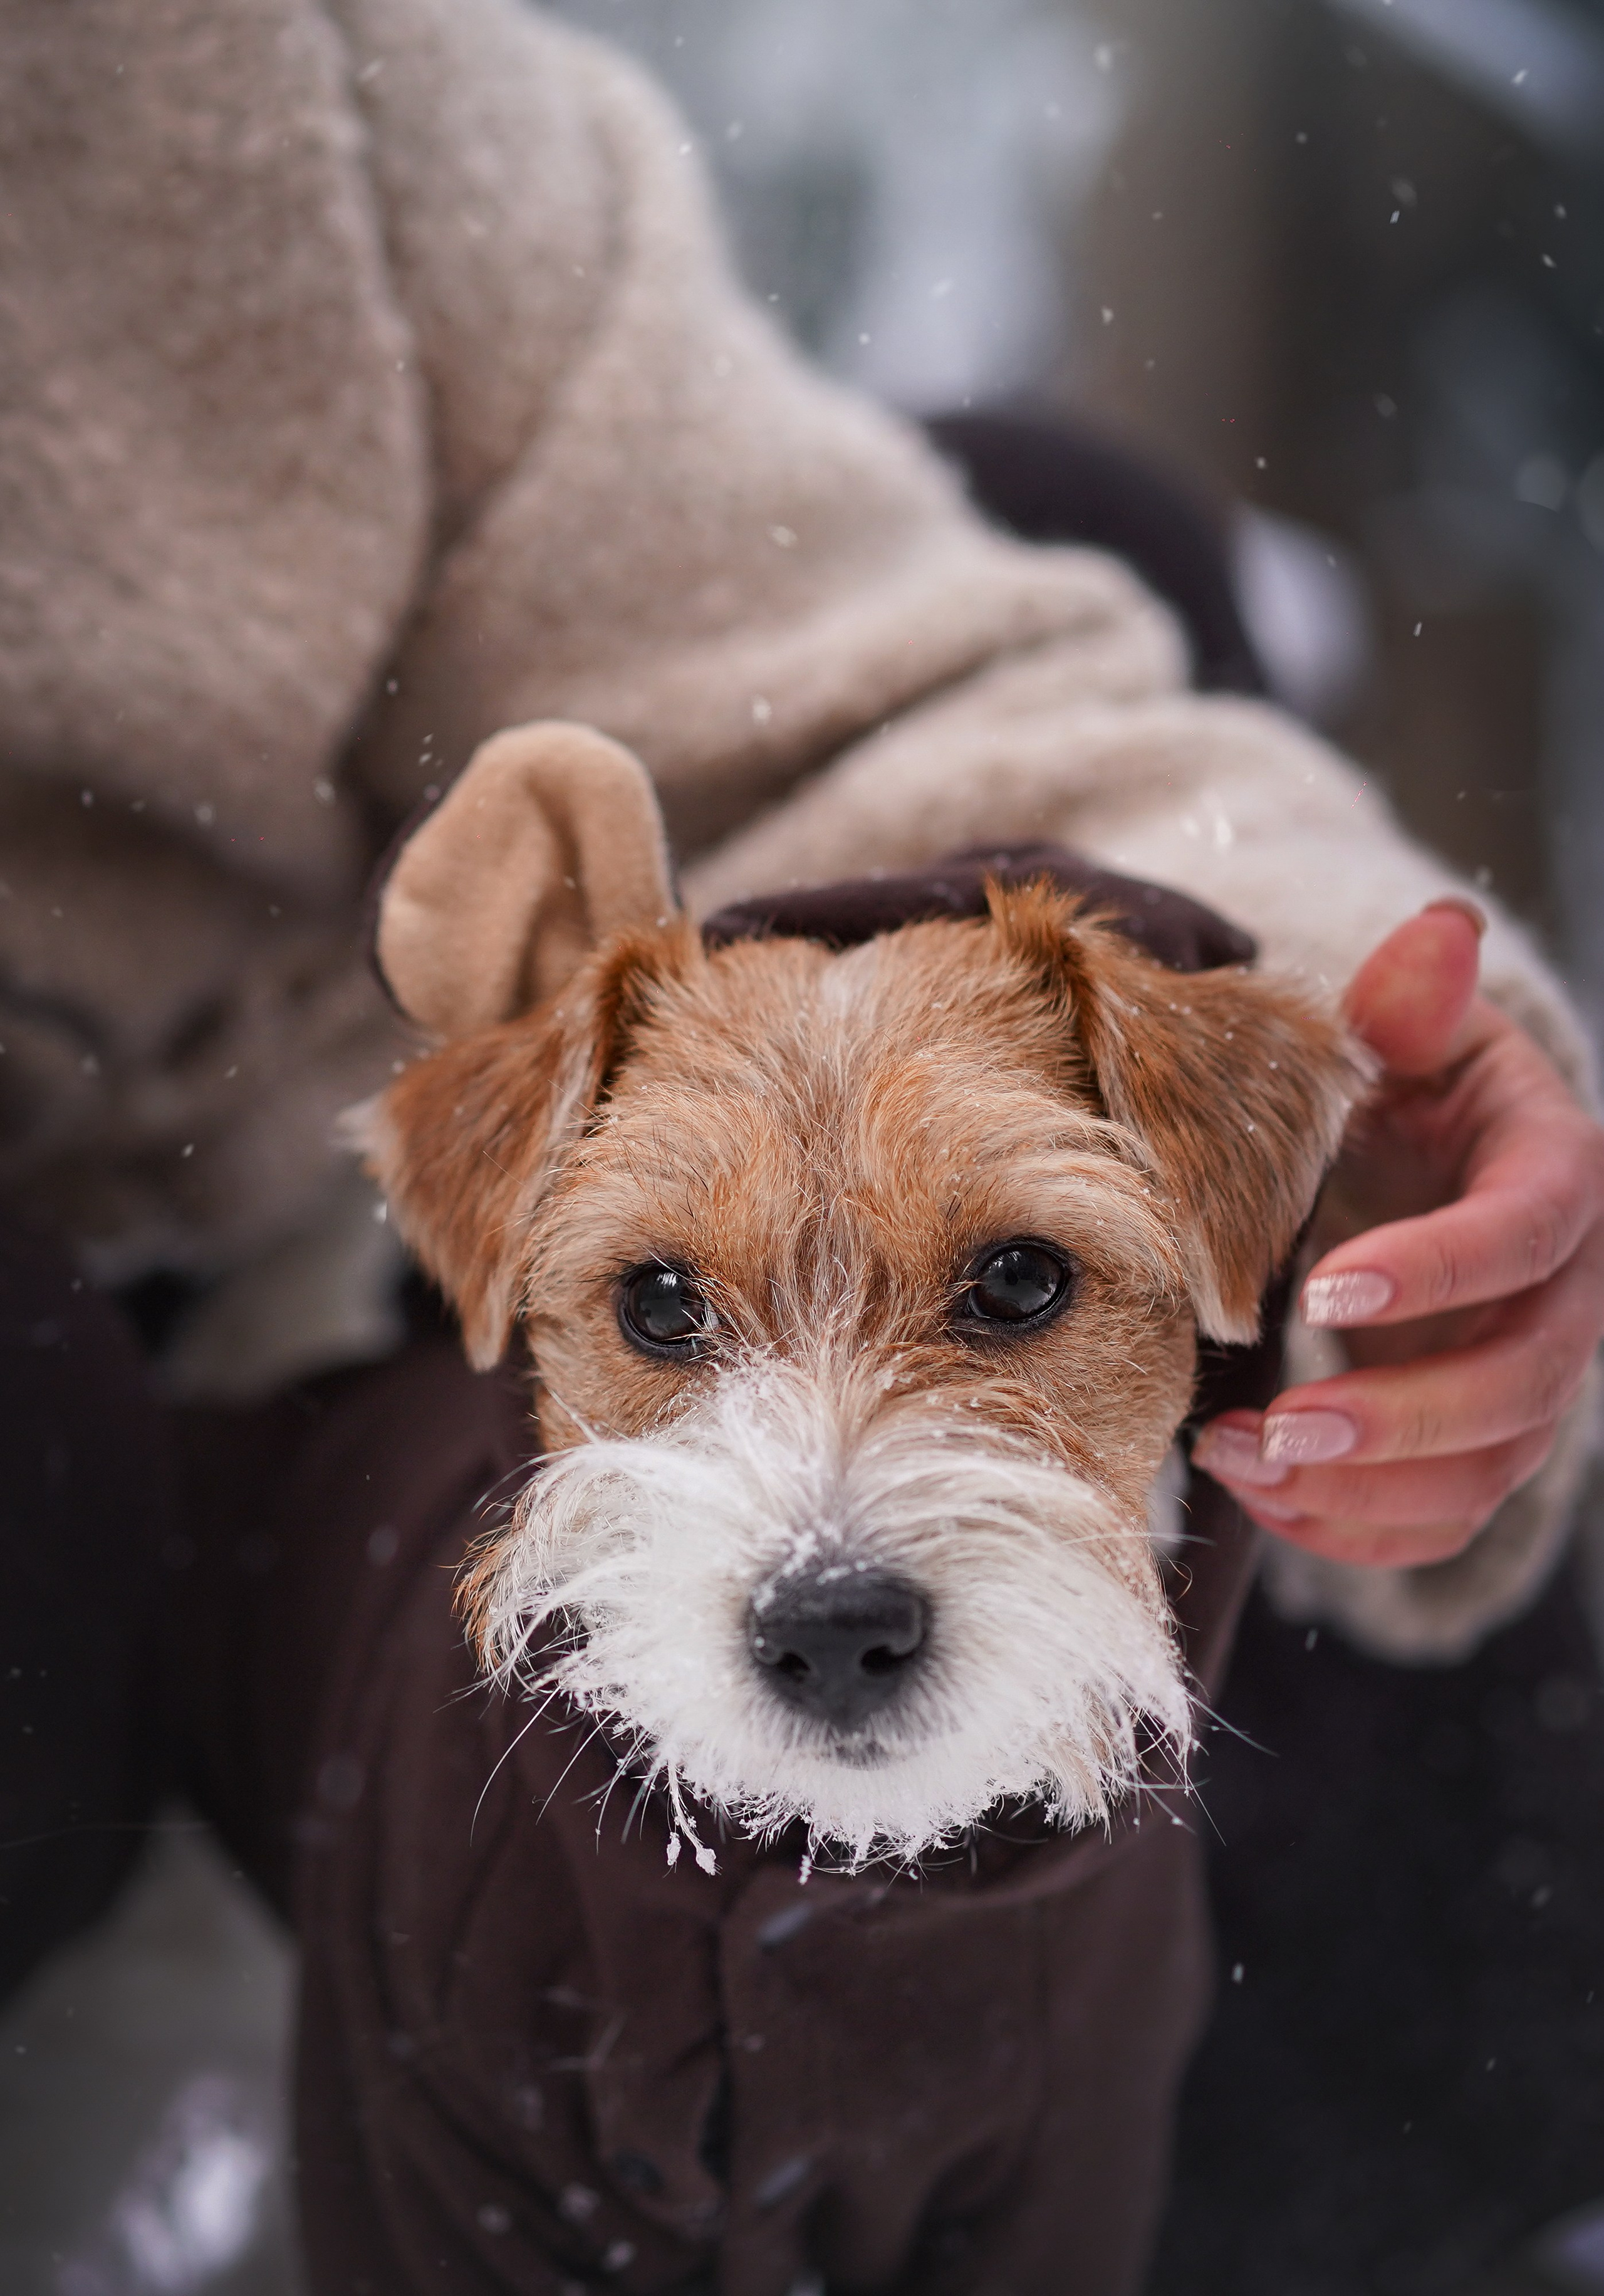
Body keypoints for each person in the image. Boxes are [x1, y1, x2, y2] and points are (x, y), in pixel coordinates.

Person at [1, 0, 1601, 2282]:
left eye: (1015, 1285)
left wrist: (1381, 1072)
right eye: (664, 1305)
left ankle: (1432, 2058)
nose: (837, 1553)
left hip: (270, 1189)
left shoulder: (277, 73)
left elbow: (897, 674)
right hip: (105, 1373)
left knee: (1091, 514)